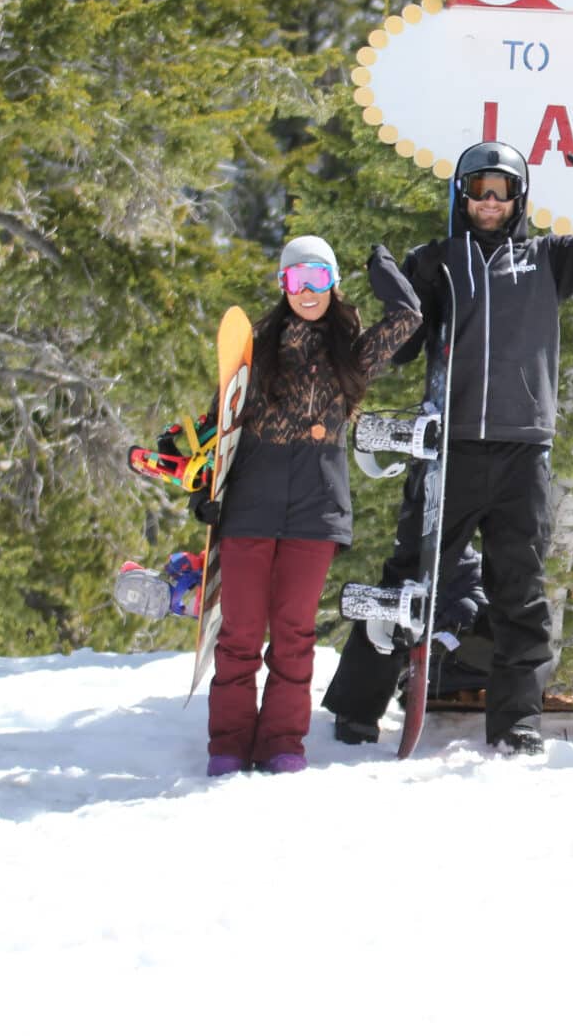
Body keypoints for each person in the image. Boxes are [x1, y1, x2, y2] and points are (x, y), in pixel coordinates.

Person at [321, 141, 573, 754]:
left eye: (501, 192)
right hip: (449, 449)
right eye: (477, 191)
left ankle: (517, 720)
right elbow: (404, 349)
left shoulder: (549, 259)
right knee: (411, 575)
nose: (489, 203)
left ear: (518, 198)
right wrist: (398, 300)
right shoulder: (436, 261)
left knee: (519, 590)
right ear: (461, 195)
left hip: (522, 453)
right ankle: (358, 707)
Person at [197, 236, 422, 775]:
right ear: (284, 286)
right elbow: (216, 428)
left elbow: (408, 316)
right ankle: (228, 744)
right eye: (299, 281)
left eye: (319, 279)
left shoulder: (351, 353)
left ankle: (282, 744)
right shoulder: (253, 347)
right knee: (241, 633)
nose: (309, 292)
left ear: (333, 283)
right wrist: (204, 492)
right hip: (252, 502)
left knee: (295, 633)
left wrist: (384, 268)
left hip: (315, 509)